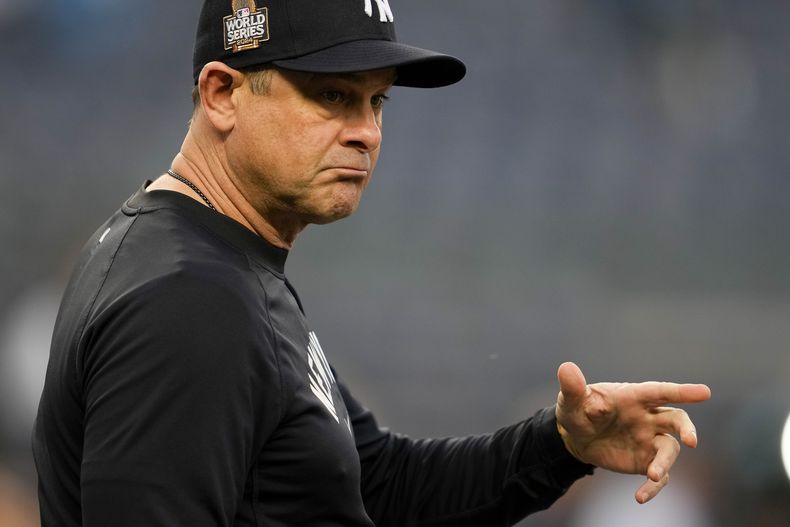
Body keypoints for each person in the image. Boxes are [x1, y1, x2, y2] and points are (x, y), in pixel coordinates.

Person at [33, 1, 711, 526]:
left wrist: (560, 443)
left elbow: (378, 487)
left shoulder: (218, 265)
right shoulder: (188, 299)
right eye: (332, 96)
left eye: (376, 100)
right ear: (221, 93)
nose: (366, 131)